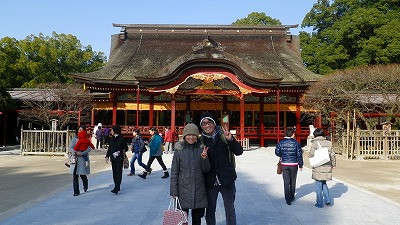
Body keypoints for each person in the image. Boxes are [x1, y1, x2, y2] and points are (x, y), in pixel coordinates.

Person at [199, 112, 243, 225]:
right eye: (203, 124)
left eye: (209, 122)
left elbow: (239, 152)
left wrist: (231, 139)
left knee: (230, 210)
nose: (206, 125)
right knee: (210, 211)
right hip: (210, 182)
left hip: (227, 180)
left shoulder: (223, 135)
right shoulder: (201, 141)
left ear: (214, 123)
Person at [170, 123, 211, 225]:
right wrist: (174, 192)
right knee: (182, 219)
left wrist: (204, 158)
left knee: (197, 219)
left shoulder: (201, 149)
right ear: (184, 136)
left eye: (193, 135)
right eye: (188, 135)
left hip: (198, 189)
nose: (191, 137)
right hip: (183, 190)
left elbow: (206, 170)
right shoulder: (179, 151)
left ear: (197, 136)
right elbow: (174, 172)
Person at [275, 127, 303, 205]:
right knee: (293, 180)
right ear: (292, 134)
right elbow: (299, 155)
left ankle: (288, 199)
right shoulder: (296, 143)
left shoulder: (281, 143)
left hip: (284, 164)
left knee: (286, 181)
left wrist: (282, 154)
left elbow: (277, 152)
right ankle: (292, 196)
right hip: (293, 164)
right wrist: (300, 165)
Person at [309, 128, 336, 208]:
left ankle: (319, 203)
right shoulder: (329, 143)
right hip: (327, 165)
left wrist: (309, 156)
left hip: (318, 166)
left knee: (318, 184)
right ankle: (327, 200)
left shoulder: (315, 143)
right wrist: (333, 164)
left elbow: (311, 154)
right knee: (323, 182)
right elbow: (332, 155)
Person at [105, 125, 128, 194]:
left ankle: (117, 187)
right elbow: (110, 148)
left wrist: (119, 151)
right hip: (113, 157)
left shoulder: (122, 139)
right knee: (114, 172)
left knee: (119, 172)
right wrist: (107, 156)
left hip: (119, 157)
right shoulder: (112, 138)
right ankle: (116, 185)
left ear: (115, 131)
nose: (111, 131)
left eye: (112, 130)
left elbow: (125, 148)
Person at [70, 126, 92, 196]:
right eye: (79, 130)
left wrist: (82, 153)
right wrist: (75, 152)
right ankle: (76, 191)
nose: (80, 131)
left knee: (82, 174)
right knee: (75, 175)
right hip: (75, 158)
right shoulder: (74, 139)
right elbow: (71, 147)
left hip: (82, 158)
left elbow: (89, 148)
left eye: (82, 130)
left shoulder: (86, 139)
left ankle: (85, 184)